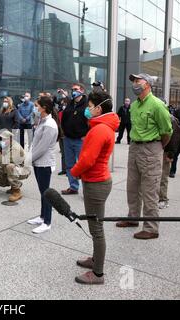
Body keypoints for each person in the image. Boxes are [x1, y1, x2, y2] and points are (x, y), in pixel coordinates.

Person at [70, 91, 119, 285]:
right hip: (97, 181)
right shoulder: (102, 126)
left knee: (96, 229)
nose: (87, 110)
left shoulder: (100, 130)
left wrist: (73, 172)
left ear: (99, 108)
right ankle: (95, 259)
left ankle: (98, 274)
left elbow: (88, 160)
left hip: (96, 184)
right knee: (95, 226)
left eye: (89, 106)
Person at [116, 73, 173, 240]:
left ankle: (151, 227)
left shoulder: (157, 105)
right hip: (134, 147)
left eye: (137, 80)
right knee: (132, 186)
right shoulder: (134, 105)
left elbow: (167, 131)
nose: (134, 83)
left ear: (147, 84)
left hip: (151, 148)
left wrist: (156, 147)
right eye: (133, 81)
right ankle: (133, 217)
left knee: (149, 189)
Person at [26, 96, 59, 234]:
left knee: (46, 193)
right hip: (38, 162)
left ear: (44, 107)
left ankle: (47, 222)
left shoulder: (50, 124)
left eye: (37, 106)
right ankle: (42, 216)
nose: (35, 108)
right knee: (42, 192)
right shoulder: (42, 121)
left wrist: (28, 159)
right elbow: (36, 143)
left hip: (44, 163)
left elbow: (43, 148)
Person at [61, 83, 89, 195]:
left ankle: (87, 190)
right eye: (72, 89)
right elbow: (64, 118)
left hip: (80, 140)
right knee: (69, 164)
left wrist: (86, 135)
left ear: (82, 90)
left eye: (76, 89)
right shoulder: (70, 104)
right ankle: (73, 187)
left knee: (83, 165)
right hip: (68, 139)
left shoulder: (87, 104)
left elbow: (91, 121)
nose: (73, 91)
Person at [0, 130, 30, 202]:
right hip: (13, 168)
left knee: (9, 167)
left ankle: (17, 191)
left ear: (10, 139)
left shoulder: (15, 147)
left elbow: (3, 163)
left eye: (4, 139)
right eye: (1, 139)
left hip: (23, 170)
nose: (2, 141)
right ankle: (13, 185)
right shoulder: (4, 145)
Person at [159, 109, 180, 209]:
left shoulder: (171, 119)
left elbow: (175, 138)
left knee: (163, 177)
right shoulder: (157, 117)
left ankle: (163, 199)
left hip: (166, 151)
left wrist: (171, 154)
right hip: (156, 150)